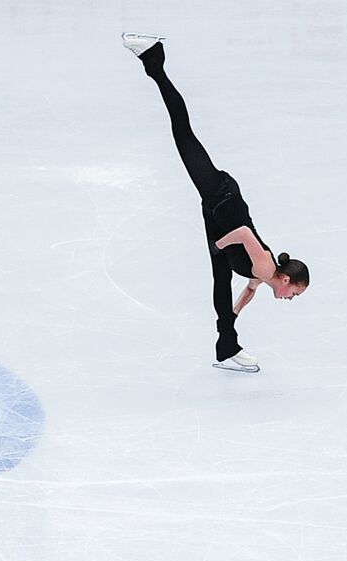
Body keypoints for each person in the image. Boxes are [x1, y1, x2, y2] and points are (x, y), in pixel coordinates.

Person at [123, 34, 309, 372]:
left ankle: (227, 345)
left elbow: (249, 291)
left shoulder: (264, 278)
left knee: (222, 285)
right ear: (285, 280)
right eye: (294, 293)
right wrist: (218, 245)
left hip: (218, 207)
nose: (290, 299)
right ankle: (154, 60)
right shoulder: (266, 267)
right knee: (183, 133)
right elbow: (245, 235)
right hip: (222, 196)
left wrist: (232, 316)